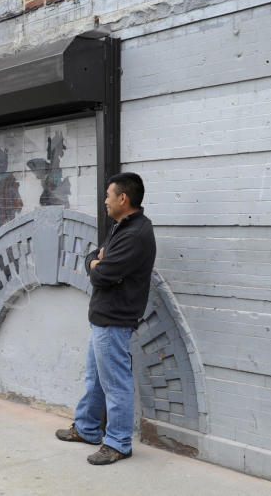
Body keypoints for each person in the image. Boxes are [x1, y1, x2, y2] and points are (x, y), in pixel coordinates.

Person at [55, 172, 156, 465]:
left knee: (116, 384)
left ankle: (119, 443)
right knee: (96, 379)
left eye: (108, 196)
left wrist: (98, 264)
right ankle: (87, 428)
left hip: (115, 319)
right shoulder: (121, 228)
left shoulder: (136, 234)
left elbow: (102, 274)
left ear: (122, 198)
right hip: (103, 317)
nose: (105, 202)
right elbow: (93, 259)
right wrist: (97, 262)